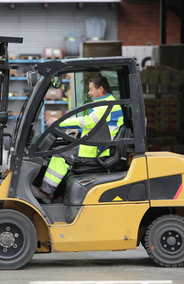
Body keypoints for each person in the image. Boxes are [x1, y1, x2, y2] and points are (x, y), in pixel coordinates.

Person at [32, 73, 124, 203]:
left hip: (96, 149)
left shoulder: (106, 105)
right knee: (60, 148)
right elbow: (98, 125)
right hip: (96, 145)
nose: (89, 93)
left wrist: (59, 122)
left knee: (60, 154)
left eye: (91, 89)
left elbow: (88, 121)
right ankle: (51, 190)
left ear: (101, 89)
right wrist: (79, 130)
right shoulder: (106, 103)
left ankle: (45, 193)